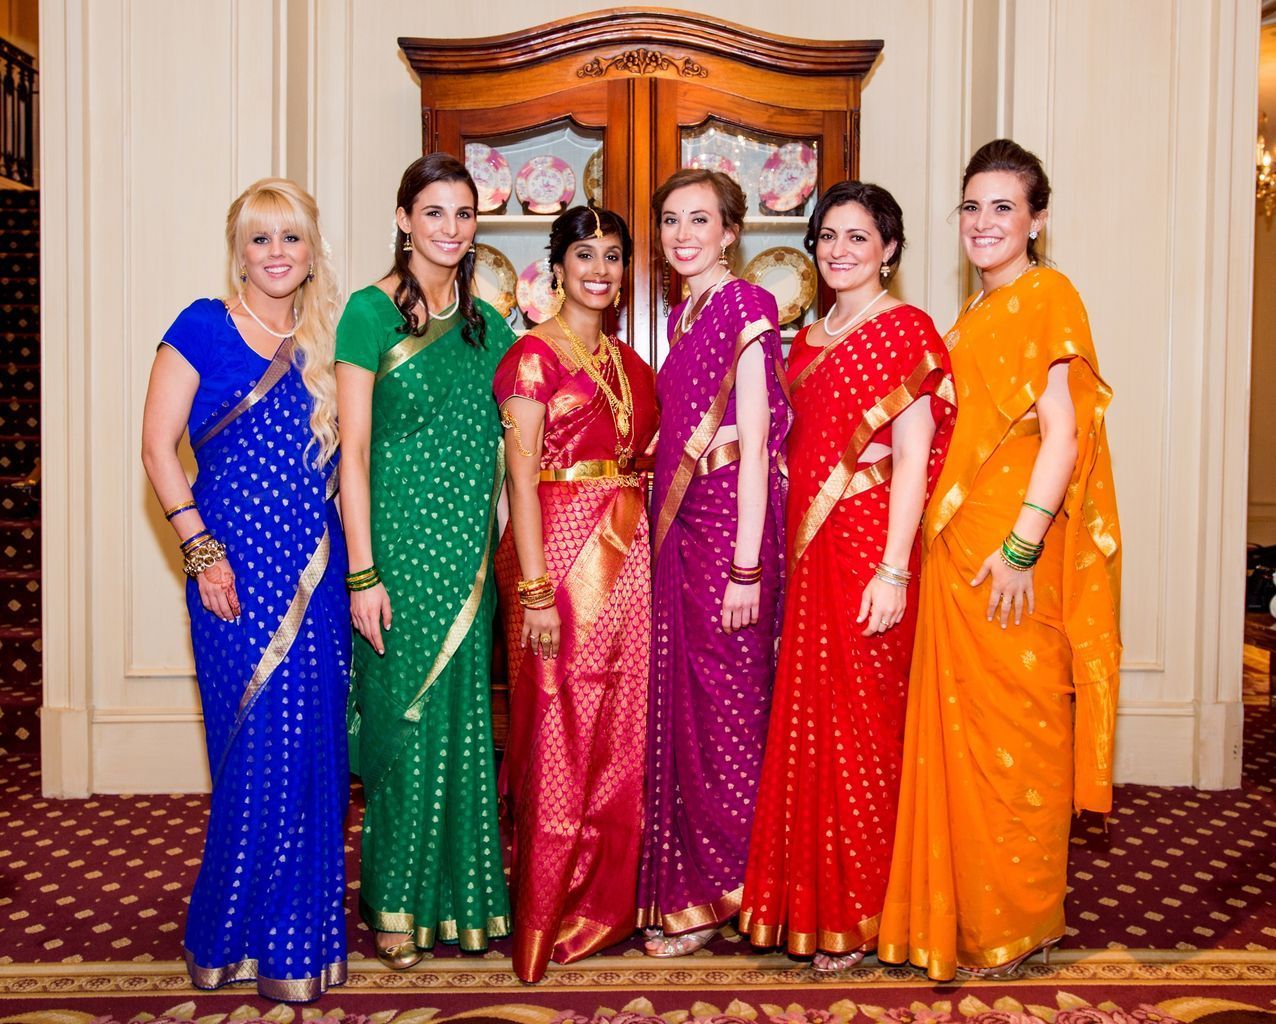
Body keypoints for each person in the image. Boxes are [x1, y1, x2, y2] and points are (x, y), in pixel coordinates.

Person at [878, 139, 1123, 981]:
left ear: (1037, 219)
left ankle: (1022, 920)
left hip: (1012, 553)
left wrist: (1021, 548)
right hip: (956, 552)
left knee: (1023, 731)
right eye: (972, 206)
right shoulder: (974, 316)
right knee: (964, 737)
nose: (983, 223)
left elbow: (1063, 434)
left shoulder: (1046, 296)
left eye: (1003, 208)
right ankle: (969, 915)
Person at [738, 182, 955, 972]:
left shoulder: (904, 331)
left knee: (864, 730)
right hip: (810, 554)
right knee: (808, 726)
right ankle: (809, 904)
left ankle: (864, 913)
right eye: (828, 236)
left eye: (858, 237)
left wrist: (896, 570)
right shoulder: (805, 339)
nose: (839, 251)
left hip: (869, 549)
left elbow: (911, 457)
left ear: (889, 249)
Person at [140, 178, 349, 1002]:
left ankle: (299, 942)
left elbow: (351, 464)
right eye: (260, 239)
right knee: (255, 751)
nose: (276, 254)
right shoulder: (200, 327)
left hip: (317, 575)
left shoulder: (329, 336)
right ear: (239, 250)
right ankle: (226, 931)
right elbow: (160, 449)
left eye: (290, 238)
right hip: (229, 573)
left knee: (313, 753)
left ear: (310, 250)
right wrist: (200, 552)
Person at [336, 153, 514, 970]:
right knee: (401, 731)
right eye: (434, 212)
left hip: (466, 567)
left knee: (463, 727)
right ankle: (395, 903)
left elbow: (519, 435)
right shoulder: (369, 315)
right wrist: (362, 573)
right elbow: (355, 450)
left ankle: (462, 903)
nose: (450, 228)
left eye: (464, 214)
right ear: (404, 218)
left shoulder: (489, 325)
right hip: (399, 556)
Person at [494, 206, 659, 983]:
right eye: (584, 254)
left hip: (629, 562)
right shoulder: (533, 357)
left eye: (614, 256)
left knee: (619, 735)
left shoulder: (631, 364)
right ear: (556, 266)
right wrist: (531, 591)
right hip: (557, 558)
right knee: (555, 729)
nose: (600, 268)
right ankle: (543, 911)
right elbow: (519, 481)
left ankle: (601, 905)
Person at [637, 168, 792, 957]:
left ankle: (733, 890)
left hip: (729, 534)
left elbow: (759, 443)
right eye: (671, 220)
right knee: (690, 714)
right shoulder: (683, 311)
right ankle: (697, 890)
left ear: (732, 231)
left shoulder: (746, 306)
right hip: (683, 534)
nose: (683, 235)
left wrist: (746, 569)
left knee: (730, 713)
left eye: (700, 220)